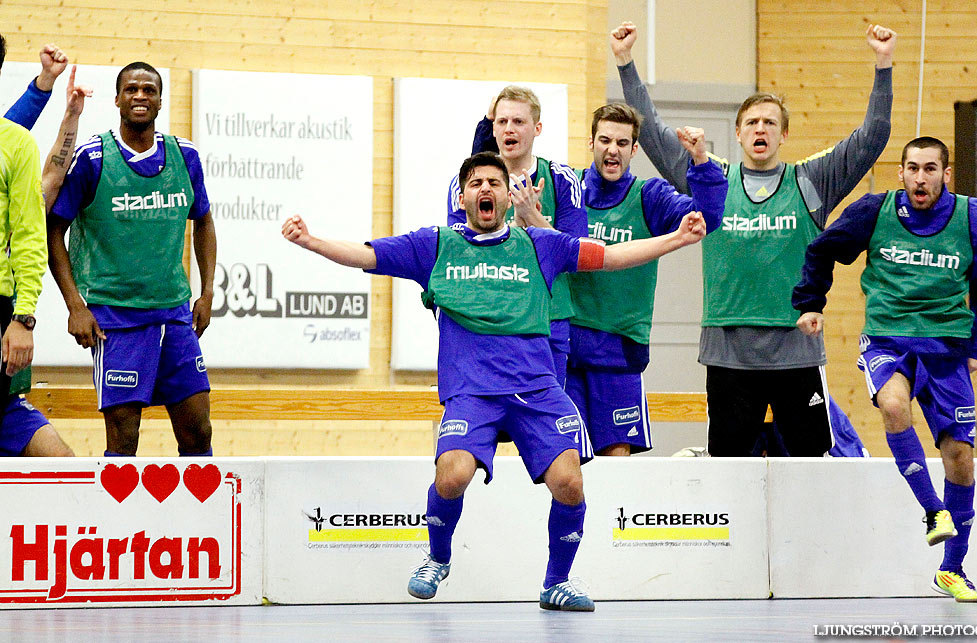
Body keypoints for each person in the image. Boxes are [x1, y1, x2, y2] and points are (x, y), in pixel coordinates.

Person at [283, 152, 708, 611]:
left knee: (569, 483)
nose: (485, 189)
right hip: (473, 393)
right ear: (462, 196)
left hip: (539, 392)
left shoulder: (541, 245)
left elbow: (609, 257)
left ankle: (556, 582)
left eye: (493, 182)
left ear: (509, 196)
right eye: (475, 183)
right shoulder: (436, 246)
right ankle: (438, 558)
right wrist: (311, 241)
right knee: (453, 474)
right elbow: (366, 254)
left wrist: (676, 239)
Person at [612, 20, 896, 457]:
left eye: (769, 122)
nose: (760, 130)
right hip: (729, 353)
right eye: (751, 122)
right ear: (740, 132)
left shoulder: (812, 181)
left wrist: (883, 65)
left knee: (808, 468)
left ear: (783, 135)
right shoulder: (711, 180)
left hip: (796, 351)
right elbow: (651, 133)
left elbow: (871, 138)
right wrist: (626, 63)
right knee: (728, 469)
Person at [792, 136, 977, 603]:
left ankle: (952, 569)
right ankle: (933, 511)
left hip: (948, 349)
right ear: (902, 173)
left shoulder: (971, 216)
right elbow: (821, 248)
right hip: (888, 340)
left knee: (962, 461)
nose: (920, 178)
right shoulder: (876, 210)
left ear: (946, 175)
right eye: (912, 168)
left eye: (931, 169)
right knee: (892, 405)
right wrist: (811, 302)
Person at [475, 103, 727, 455]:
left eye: (622, 143)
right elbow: (486, 188)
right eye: (605, 140)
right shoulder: (564, 186)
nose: (612, 149)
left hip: (618, 348)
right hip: (564, 344)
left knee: (615, 458)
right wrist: (489, 124)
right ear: (590, 143)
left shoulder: (649, 196)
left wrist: (700, 160)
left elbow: (708, 219)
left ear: (634, 149)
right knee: (563, 457)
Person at [47, 61, 216, 458]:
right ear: (118, 99)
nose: (140, 96)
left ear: (159, 101)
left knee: (199, 432)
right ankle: (119, 523)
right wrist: (76, 306)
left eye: (149, 90)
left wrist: (207, 293)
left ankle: (199, 521)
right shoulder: (93, 157)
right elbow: (54, 230)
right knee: (124, 440)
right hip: (115, 319)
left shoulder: (184, 155)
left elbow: (205, 221)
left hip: (174, 313)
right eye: (132, 89)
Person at [448, 86, 587, 386]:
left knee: (546, 426)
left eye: (519, 122)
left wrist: (530, 215)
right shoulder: (466, 186)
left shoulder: (562, 178)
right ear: (492, 128)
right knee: (490, 427)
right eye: (502, 122)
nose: (509, 129)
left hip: (548, 322)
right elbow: (459, 252)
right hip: (489, 323)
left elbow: (576, 254)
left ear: (537, 128)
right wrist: (513, 225)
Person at [0, 36, 85, 458]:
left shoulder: (14, 149)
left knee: (64, 466)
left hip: (6, 391)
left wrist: (66, 111)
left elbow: (50, 171)